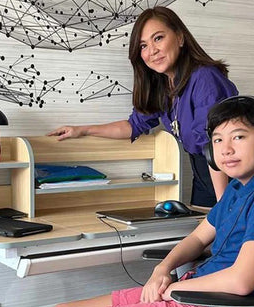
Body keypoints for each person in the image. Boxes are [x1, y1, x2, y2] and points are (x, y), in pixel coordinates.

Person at [40, 96, 254, 307]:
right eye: (217, 140)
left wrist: (174, 288)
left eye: (238, 136)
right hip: (194, 300)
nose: (225, 149)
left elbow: (241, 282)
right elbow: (198, 239)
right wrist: (162, 269)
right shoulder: (238, 188)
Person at [48, 6, 238, 207]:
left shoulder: (205, 78)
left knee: (221, 234)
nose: (152, 51)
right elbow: (133, 126)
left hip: (229, 178)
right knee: (197, 236)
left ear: (180, 38)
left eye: (158, 38)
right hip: (203, 179)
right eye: (143, 46)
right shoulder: (163, 87)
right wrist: (82, 130)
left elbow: (215, 145)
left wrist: (223, 205)